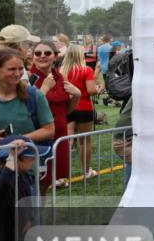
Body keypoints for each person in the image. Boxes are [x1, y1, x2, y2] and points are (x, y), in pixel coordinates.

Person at [28, 40, 80, 190]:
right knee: (35, 183)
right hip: (41, 138)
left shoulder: (59, 77)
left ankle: (38, 214)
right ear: (32, 57)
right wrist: (44, 89)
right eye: (37, 53)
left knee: (46, 183)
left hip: (60, 136)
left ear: (55, 56)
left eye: (47, 53)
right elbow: (28, 110)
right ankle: (31, 213)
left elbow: (64, 111)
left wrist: (77, 96)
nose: (42, 56)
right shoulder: (29, 78)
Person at [61, 44, 100, 183]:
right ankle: (86, 171)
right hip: (84, 108)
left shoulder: (61, 71)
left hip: (67, 108)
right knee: (85, 141)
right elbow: (91, 90)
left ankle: (61, 176)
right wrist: (98, 89)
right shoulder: (86, 70)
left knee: (66, 141)